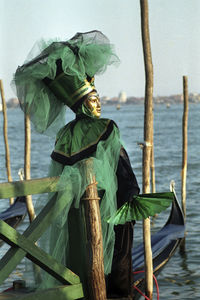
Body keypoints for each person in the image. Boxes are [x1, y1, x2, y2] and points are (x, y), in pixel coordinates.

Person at [13, 30, 169, 299]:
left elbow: (62, 175)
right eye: (92, 99)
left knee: (80, 258)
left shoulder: (64, 136)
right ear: (83, 104)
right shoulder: (107, 127)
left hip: (74, 214)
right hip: (108, 209)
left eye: (97, 98)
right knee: (118, 258)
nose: (97, 105)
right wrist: (132, 195)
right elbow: (120, 164)